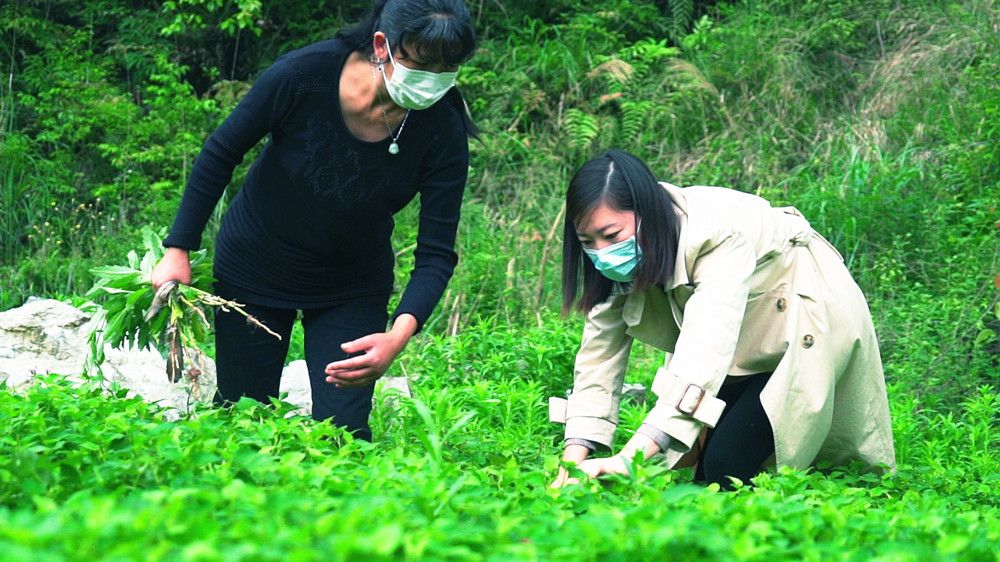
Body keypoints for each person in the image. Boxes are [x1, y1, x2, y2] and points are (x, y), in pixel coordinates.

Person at [151, 0, 477, 441]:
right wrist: (178, 248)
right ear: (382, 45)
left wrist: (396, 338)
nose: (433, 80)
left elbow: (436, 253)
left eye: (448, 67)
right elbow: (221, 152)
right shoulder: (306, 74)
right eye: (422, 63)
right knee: (244, 418)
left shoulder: (442, 128)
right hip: (256, 265)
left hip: (351, 284)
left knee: (345, 435)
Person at [548, 149, 896, 489]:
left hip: (800, 315)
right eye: (587, 241)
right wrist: (572, 459)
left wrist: (629, 459)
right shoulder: (620, 259)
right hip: (743, 335)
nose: (602, 252)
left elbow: (704, 350)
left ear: (647, 214)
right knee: (696, 466)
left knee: (727, 467)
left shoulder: (716, 234)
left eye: (611, 236)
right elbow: (598, 357)